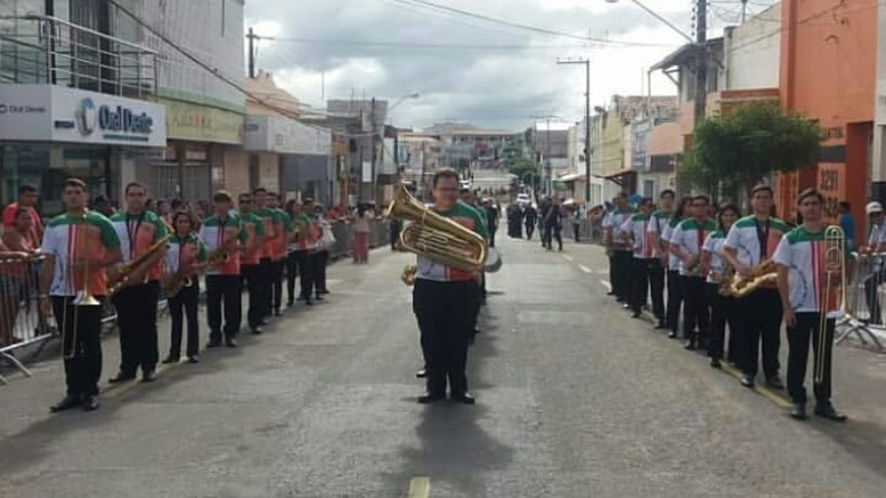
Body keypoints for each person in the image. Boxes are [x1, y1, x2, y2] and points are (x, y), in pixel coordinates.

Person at [40, 178, 123, 412]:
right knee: (69, 343)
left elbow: (116, 254)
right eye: (69, 192)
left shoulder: (100, 222)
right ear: (63, 197)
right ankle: (73, 391)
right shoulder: (54, 225)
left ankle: (91, 390)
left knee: (90, 342)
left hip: (91, 289)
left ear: (85, 196)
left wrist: (94, 263)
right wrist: (43, 295)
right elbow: (48, 260)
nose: (73, 196)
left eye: (78, 192)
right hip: (62, 291)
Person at [413, 168, 487, 404]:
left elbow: (483, 248)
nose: (449, 194)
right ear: (433, 191)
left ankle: (458, 388)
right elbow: (406, 241)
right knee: (431, 339)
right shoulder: (421, 214)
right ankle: (434, 387)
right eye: (444, 189)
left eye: (453, 189)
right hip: (429, 284)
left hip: (460, 284)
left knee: (459, 339)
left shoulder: (471, 214)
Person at [774, 188, 847, 422]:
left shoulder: (834, 235)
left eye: (815, 203)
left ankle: (823, 401)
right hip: (799, 306)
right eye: (806, 204)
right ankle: (798, 399)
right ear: (800, 208)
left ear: (821, 207)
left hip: (826, 306)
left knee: (823, 357)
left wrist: (842, 277)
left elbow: (846, 265)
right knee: (798, 355)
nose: (811, 207)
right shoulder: (790, 238)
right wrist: (786, 307)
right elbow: (781, 275)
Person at [722, 184, 790, 389]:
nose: (762, 201)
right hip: (749, 284)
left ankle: (772, 372)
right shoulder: (740, 225)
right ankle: (748, 370)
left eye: (765, 197)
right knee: (747, 331)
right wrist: (739, 267)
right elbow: (727, 250)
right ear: (752, 201)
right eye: (758, 197)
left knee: (772, 334)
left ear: (771, 201)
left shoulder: (781, 226)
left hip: (773, 286)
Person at [108, 183, 169, 384]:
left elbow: (160, 250)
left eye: (140, 195)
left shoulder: (154, 221)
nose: (136, 198)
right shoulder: (114, 220)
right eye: (132, 195)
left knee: (147, 325)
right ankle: (128, 367)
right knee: (125, 326)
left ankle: (149, 366)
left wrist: (140, 271)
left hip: (147, 280)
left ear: (145, 197)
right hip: (122, 279)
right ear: (126, 197)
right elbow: (108, 248)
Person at [670, 195, 717, 351]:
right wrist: (687, 258)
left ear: (708, 207)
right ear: (691, 208)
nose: (699, 208)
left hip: (707, 272)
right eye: (695, 205)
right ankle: (689, 337)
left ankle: (704, 337)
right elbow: (674, 246)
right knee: (690, 305)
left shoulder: (714, 226)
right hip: (689, 272)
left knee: (704, 307)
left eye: (702, 205)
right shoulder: (683, 225)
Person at [199, 191, 245, 348]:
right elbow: (200, 244)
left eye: (224, 202)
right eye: (218, 202)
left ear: (229, 204)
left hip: (231, 267)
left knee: (232, 302)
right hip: (213, 267)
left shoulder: (236, 222)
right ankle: (215, 334)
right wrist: (210, 254)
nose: (221, 206)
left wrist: (235, 247)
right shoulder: (207, 223)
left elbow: (245, 243)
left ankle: (230, 333)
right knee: (213, 303)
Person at [161, 211, 207, 364]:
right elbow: (162, 261)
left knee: (192, 316)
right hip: (173, 279)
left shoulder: (195, 241)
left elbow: (204, 261)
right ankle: (174, 352)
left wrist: (195, 266)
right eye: (179, 222)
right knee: (176, 318)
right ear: (175, 224)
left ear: (190, 224)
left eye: (186, 222)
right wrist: (166, 277)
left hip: (189, 279)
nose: (183, 224)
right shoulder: (168, 240)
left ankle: (192, 351)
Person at [701, 204, 741, 368]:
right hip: (716, 281)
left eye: (733, 215)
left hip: (736, 282)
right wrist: (713, 274)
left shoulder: (742, 236)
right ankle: (715, 354)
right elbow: (704, 259)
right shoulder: (713, 236)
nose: (729, 219)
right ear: (720, 218)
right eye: (726, 215)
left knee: (736, 320)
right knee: (717, 319)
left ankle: (735, 355)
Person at [1, 208, 42, 346]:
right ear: (16, 220)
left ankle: (7, 336)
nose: (28, 222)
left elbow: (35, 249)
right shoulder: (11, 232)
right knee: (8, 307)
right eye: (24, 219)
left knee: (15, 307)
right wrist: (20, 255)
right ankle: (5, 338)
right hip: (8, 274)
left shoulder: (29, 231)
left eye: (29, 219)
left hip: (21, 273)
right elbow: (27, 252)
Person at [621, 198, 658, 319]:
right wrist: (632, 244)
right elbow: (623, 231)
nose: (650, 208)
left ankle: (656, 311)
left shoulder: (656, 218)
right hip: (639, 255)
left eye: (652, 206)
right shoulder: (635, 218)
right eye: (648, 205)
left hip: (654, 256)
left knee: (655, 285)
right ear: (641, 207)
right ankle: (636, 307)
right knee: (638, 283)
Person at [646, 189, 675, 329]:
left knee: (673, 288)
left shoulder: (676, 216)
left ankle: (671, 318)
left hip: (673, 256)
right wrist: (660, 252)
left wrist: (668, 253)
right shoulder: (656, 216)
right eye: (664, 198)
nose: (667, 201)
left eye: (670, 198)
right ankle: (659, 316)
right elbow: (652, 234)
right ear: (661, 200)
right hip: (657, 255)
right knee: (657, 287)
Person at [238, 193, 267, 335]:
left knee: (255, 293)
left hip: (253, 261)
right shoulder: (233, 219)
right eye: (242, 202)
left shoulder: (256, 220)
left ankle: (255, 322)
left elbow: (260, 240)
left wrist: (248, 253)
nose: (245, 204)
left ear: (251, 203)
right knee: (234, 295)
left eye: (247, 202)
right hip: (236, 263)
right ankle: (234, 324)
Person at [603, 193, 633, 303]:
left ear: (626, 200)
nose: (619, 201)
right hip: (616, 245)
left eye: (621, 199)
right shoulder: (614, 214)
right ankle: (617, 289)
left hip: (630, 246)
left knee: (628, 270)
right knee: (616, 269)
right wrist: (608, 245)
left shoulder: (633, 212)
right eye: (618, 199)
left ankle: (626, 292)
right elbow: (609, 229)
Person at [267, 192, 293, 316]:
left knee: (277, 280)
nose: (270, 202)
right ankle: (266, 306)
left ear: (278, 201)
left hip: (279, 252)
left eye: (273, 199)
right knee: (265, 281)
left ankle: (277, 305)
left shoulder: (283, 215)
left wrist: (283, 248)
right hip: (265, 253)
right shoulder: (261, 214)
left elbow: (289, 233)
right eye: (268, 199)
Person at [861, 201, 886, 325]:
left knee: (870, 283)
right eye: (872, 215)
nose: (876, 217)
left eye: (878, 214)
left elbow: (881, 247)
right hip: (883, 263)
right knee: (870, 283)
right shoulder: (876, 228)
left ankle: (876, 318)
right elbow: (871, 246)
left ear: (883, 213)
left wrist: (870, 250)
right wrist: (868, 250)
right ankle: (875, 317)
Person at [294, 198, 320, 305]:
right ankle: (304, 291)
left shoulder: (315, 217)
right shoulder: (297, 217)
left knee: (311, 270)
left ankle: (313, 290)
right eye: (308, 205)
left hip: (312, 245)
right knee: (304, 271)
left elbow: (318, 229)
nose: (310, 207)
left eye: (311, 205)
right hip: (302, 247)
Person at [3, 184, 44, 248]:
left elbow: (39, 230)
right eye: (28, 196)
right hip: (17, 248)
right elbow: (10, 231)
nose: (31, 199)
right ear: (20, 196)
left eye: (34, 196)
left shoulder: (32, 210)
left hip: (32, 247)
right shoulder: (11, 209)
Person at [313, 204, 332, 297]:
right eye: (316, 210)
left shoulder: (324, 221)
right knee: (316, 268)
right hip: (315, 246)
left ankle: (322, 286)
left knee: (322, 268)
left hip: (323, 247)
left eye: (319, 210)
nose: (318, 213)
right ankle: (317, 287)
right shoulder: (313, 220)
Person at [285, 200, 301, 307]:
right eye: (296, 206)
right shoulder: (287, 218)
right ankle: (290, 297)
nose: (298, 208)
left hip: (298, 248)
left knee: (296, 272)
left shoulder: (300, 218)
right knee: (290, 273)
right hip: (287, 249)